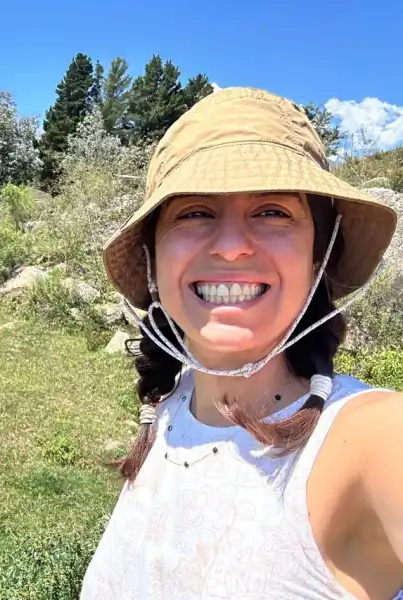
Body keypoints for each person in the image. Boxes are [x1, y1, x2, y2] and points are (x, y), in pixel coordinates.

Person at [80, 87, 403, 599]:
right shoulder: (172, 408)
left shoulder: (371, 440)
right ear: (152, 262)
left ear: (318, 256)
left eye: (274, 211)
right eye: (194, 212)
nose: (231, 246)